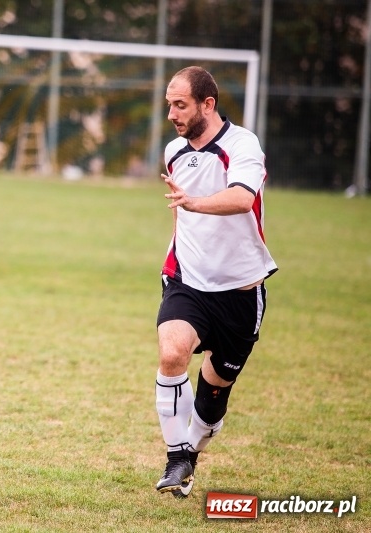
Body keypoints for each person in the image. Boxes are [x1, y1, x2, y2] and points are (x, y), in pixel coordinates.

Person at [153, 67, 277, 498]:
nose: (172, 113)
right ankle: (176, 459)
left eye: (181, 104)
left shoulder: (242, 144)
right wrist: (177, 253)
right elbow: (178, 211)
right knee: (172, 354)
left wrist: (194, 203)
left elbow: (243, 198)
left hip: (240, 292)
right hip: (187, 280)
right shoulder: (173, 152)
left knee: (211, 398)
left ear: (208, 104)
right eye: (169, 103)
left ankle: (192, 455)